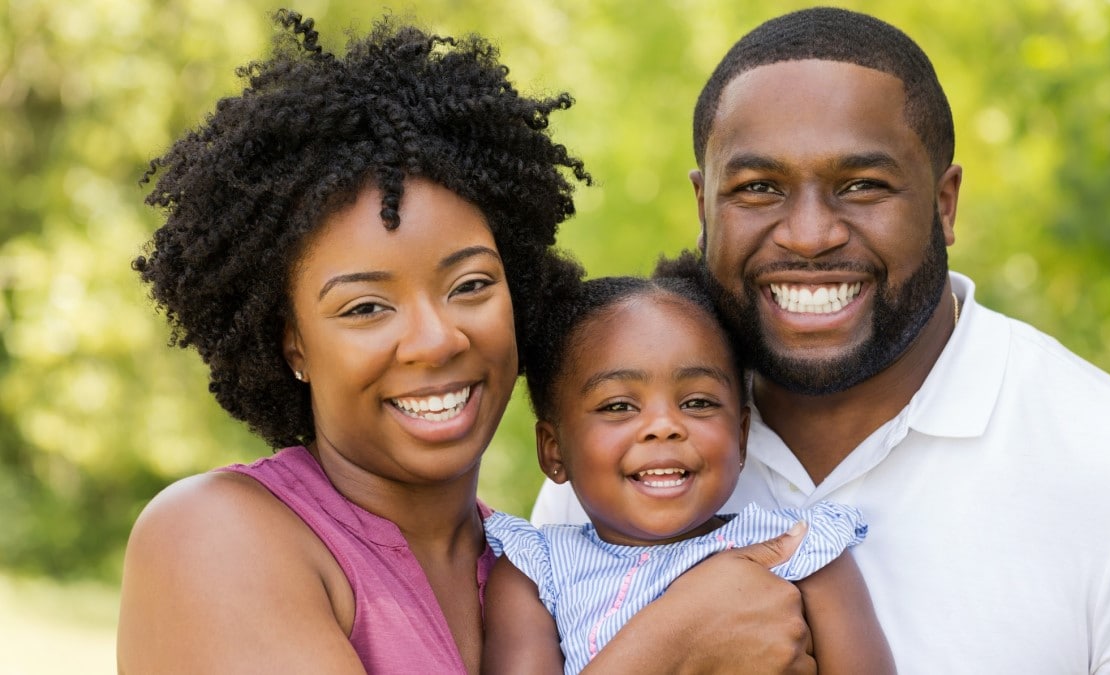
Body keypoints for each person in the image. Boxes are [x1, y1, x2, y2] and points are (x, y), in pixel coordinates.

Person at [117, 10, 820, 674]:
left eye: (471, 285)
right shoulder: (217, 536)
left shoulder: (542, 567)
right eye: (366, 306)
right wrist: (670, 641)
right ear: (293, 343)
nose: (435, 337)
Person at [532, 7, 1110, 674]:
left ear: (944, 203)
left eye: (861, 185)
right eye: (759, 188)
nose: (810, 234)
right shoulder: (619, 442)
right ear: (703, 207)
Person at [482, 270, 894, 674]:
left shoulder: (804, 555)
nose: (664, 425)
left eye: (697, 402)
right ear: (554, 452)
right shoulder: (535, 577)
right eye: (619, 406)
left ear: (741, 437)